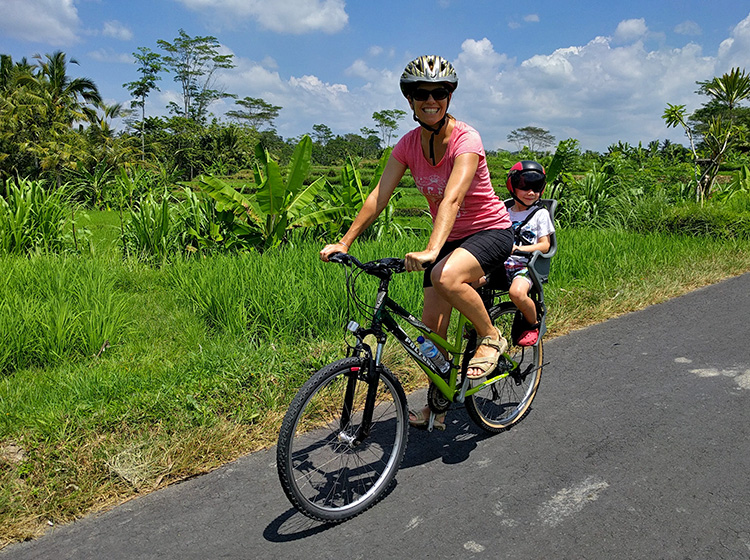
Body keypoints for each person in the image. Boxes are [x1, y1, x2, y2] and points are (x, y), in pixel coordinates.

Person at [320, 55, 514, 430]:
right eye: (421, 93)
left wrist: (430, 250)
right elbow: (379, 194)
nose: (431, 99)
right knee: (431, 337)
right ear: (409, 99)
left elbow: (453, 199)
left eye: (439, 92)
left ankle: (492, 336)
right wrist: (345, 241)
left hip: (489, 231)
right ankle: (437, 407)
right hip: (450, 238)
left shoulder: (466, 139)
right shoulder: (408, 144)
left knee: (444, 275)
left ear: (449, 96)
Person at [503, 160, 555, 346]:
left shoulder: (541, 214)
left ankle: (532, 323)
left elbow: (544, 246)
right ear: (513, 187)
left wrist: (519, 249)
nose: (531, 192)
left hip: (525, 266)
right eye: (525, 186)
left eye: (536, 187)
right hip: (500, 264)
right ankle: (478, 325)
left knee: (517, 293)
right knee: (468, 283)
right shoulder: (503, 212)